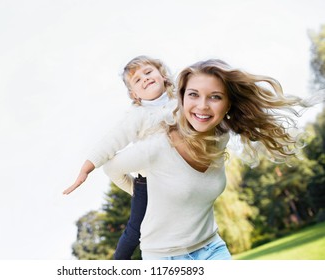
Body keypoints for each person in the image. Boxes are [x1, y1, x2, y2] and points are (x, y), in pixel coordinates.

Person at [103, 58, 314, 260]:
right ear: (183, 98)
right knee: (133, 229)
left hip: (212, 248)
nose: (203, 106)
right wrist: (136, 188)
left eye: (215, 97)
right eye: (194, 95)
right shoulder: (153, 139)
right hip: (164, 255)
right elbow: (112, 158)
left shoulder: (219, 132)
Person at [63, 55, 177, 259]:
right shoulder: (138, 115)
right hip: (149, 183)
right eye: (137, 79)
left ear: (163, 75)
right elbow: (111, 141)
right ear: (134, 94)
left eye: (148, 72)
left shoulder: (182, 101)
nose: (145, 78)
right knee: (135, 231)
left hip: (178, 177)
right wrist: (85, 169)